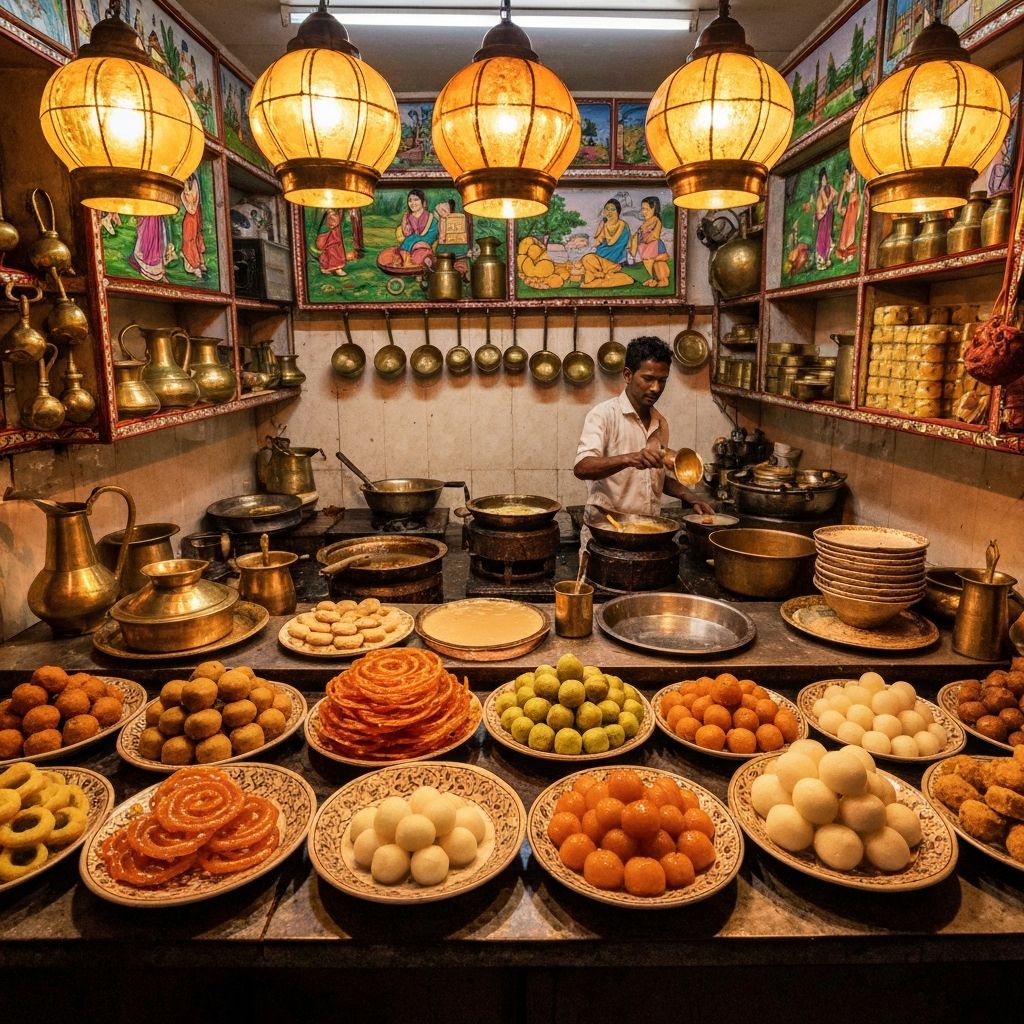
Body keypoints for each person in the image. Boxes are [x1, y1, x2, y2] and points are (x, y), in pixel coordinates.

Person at [574, 336, 714, 545]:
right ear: (628, 375)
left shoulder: (660, 423)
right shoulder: (603, 415)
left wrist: (690, 496)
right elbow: (582, 468)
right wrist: (631, 458)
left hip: (647, 532)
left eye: (662, 380)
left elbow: (656, 479)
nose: (656, 388)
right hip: (607, 533)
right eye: (648, 379)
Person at [377, 188, 438, 270]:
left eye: (416, 200)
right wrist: (405, 221)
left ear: (423, 202)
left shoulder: (430, 217)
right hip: (411, 242)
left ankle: (409, 261)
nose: (412, 203)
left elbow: (433, 233)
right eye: (410, 200)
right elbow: (407, 234)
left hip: (426, 240)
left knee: (419, 253)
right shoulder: (408, 217)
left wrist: (418, 238)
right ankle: (405, 260)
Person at [580, 197, 633, 288]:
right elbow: (597, 240)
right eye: (607, 209)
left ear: (618, 212)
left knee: (626, 279)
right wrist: (601, 227)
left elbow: (611, 242)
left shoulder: (622, 224)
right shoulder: (604, 223)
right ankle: (598, 275)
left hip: (614, 262)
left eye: (613, 210)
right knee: (586, 259)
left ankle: (596, 280)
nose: (609, 212)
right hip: (600, 259)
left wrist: (604, 227)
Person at [628, 196, 671, 287]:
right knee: (646, 262)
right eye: (643, 209)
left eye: (646, 209)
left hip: (653, 245)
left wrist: (639, 234)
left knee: (650, 261)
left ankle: (653, 279)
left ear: (654, 208)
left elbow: (652, 236)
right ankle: (651, 278)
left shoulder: (655, 219)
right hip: (646, 246)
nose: (644, 212)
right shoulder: (647, 222)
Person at [814, 167, 839, 270]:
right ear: (821, 180)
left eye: (825, 179)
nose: (824, 181)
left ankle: (826, 258)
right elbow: (827, 202)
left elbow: (836, 194)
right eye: (822, 179)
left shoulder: (828, 187)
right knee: (822, 236)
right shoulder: (821, 190)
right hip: (824, 216)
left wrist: (833, 195)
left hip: (829, 215)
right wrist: (831, 197)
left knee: (828, 234)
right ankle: (821, 260)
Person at [835, 161, 861, 262]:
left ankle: (849, 249)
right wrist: (840, 205)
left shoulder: (856, 176)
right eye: (852, 165)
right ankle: (845, 249)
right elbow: (843, 190)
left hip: (854, 203)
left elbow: (856, 189)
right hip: (849, 204)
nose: (853, 167)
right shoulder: (848, 176)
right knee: (846, 226)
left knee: (851, 226)